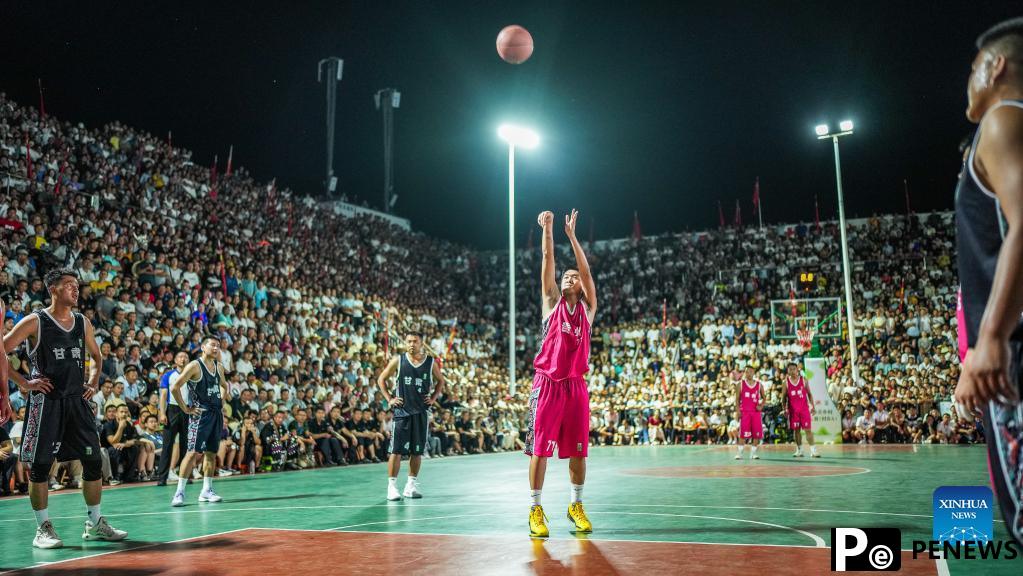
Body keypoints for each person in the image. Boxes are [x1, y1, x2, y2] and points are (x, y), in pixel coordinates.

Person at [952, 17, 1023, 546]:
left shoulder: (1001, 120)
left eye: (974, 68)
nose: (968, 81)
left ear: (996, 66)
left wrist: (991, 337)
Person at [2, 268, 127, 548]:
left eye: (77, 284)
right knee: (41, 467)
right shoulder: (36, 321)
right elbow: (2, 348)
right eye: (69, 284)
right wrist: (24, 382)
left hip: (77, 402)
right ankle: (43, 529)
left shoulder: (83, 322)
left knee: (94, 461)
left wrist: (93, 380)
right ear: (53, 289)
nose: (75, 289)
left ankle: (94, 523)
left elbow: (96, 356)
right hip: (46, 403)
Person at [525, 209, 596, 538]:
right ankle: (536, 509)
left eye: (573, 277)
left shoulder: (587, 308)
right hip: (548, 384)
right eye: (565, 277)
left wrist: (572, 236)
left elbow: (585, 269)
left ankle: (575, 505)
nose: (569, 278)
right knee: (541, 450)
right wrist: (550, 229)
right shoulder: (551, 301)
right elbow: (546, 258)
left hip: (576, 387)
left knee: (579, 450)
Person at [377, 332, 445, 500]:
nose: (411, 344)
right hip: (402, 412)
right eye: (409, 341)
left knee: (417, 451)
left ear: (422, 343)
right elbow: (381, 379)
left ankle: (410, 485)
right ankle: (392, 487)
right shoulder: (399, 360)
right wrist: (389, 399)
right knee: (396, 450)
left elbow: (441, 381)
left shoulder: (430, 362)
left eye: (415, 341)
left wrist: (433, 398)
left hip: (421, 412)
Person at [169, 336, 229, 506]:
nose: (216, 348)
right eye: (213, 345)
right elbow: (175, 387)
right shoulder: (194, 366)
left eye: (218, 346)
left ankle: (206, 491)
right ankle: (179, 492)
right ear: (203, 347)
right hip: (200, 415)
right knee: (192, 452)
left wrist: (222, 402)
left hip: (216, 414)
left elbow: (225, 385)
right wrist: (185, 408)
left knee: (211, 453)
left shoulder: (219, 367)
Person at [156, 351, 191, 486]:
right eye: (180, 357)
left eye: (185, 357)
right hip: (172, 410)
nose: (183, 359)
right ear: (175, 360)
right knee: (167, 445)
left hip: (187, 410)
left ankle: (185, 476)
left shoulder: (191, 375)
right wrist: (162, 413)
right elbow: (163, 396)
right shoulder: (168, 375)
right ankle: (162, 478)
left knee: (185, 446)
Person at [782, 362, 818, 458]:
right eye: (790, 369)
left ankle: (813, 450)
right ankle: (799, 450)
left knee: (808, 430)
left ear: (797, 369)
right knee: (796, 431)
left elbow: (809, 394)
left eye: (794, 369)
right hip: (793, 411)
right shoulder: (785, 382)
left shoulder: (803, 380)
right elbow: (783, 398)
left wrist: (812, 406)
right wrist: (784, 409)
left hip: (804, 410)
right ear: (788, 371)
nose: (792, 371)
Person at [734, 366, 765, 460]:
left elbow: (764, 398)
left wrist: (761, 405)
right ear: (744, 373)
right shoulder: (740, 384)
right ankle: (739, 453)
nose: (749, 373)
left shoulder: (759, 384)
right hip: (745, 412)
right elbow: (737, 399)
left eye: (751, 372)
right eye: (747, 372)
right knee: (743, 434)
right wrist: (738, 411)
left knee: (757, 434)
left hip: (756, 413)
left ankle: (753, 453)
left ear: (754, 372)